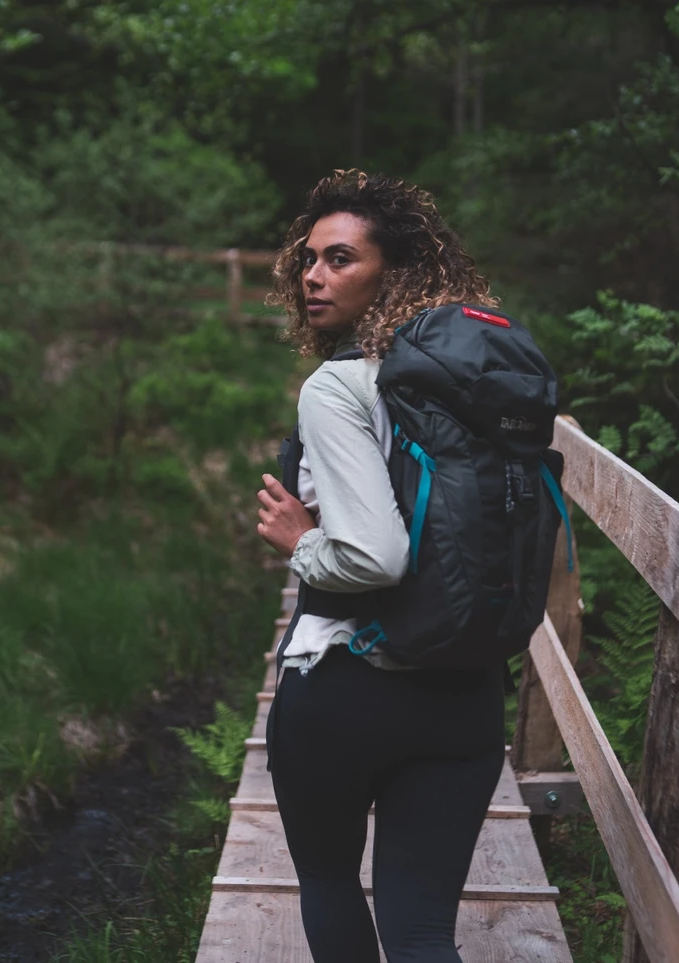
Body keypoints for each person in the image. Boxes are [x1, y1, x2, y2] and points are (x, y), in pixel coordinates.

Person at [254, 169, 506, 963]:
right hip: (464, 690)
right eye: (308, 260)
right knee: (424, 931)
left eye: (338, 259)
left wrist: (300, 543)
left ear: (393, 274)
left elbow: (374, 553)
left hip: (345, 685)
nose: (312, 277)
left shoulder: (338, 384)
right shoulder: (480, 385)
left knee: (330, 885)